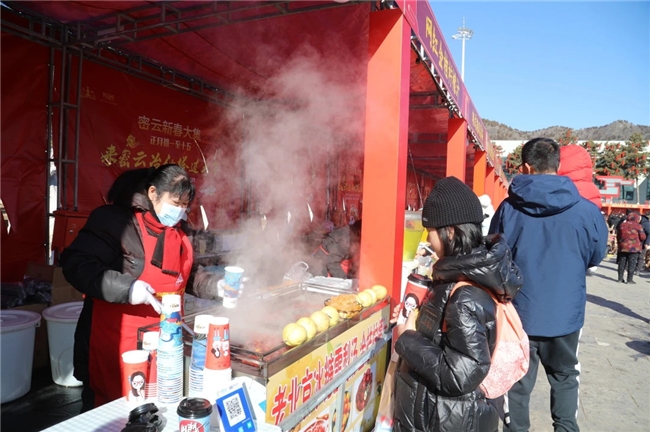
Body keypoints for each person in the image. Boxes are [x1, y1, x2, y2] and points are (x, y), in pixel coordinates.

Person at [61, 165, 222, 411]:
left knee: (159, 410)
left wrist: (216, 285)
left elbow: (186, 276)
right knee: (112, 414)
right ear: (153, 193)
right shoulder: (116, 222)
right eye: (175, 203)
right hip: (117, 344)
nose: (180, 211)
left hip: (166, 344)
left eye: (184, 205)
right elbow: (76, 264)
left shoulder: (179, 231)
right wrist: (128, 288)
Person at [489, 138, 608, 432]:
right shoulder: (586, 211)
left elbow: (494, 256)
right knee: (565, 376)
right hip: (566, 313)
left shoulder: (508, 209)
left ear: (526, 167)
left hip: (520, 313)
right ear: (557, 165)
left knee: (516, 380)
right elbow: (596, 256)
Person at [392, 176, 523, 432]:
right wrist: (417, 319)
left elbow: (460, 374)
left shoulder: (466, 296)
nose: (427, 239)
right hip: (439, 414)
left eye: (430, 231)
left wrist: (407, 338)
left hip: (446, 420)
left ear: (449, 231)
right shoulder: (461, 276)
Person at [616, 211, 646, 284]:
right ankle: (629, 280)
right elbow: (643, 237)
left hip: (623, 247)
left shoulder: (622, 225)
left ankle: (620, 279)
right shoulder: (638, 226)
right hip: (634, 248)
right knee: (632, 264)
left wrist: (620, 243)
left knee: (622, 263)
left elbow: (618, 235)